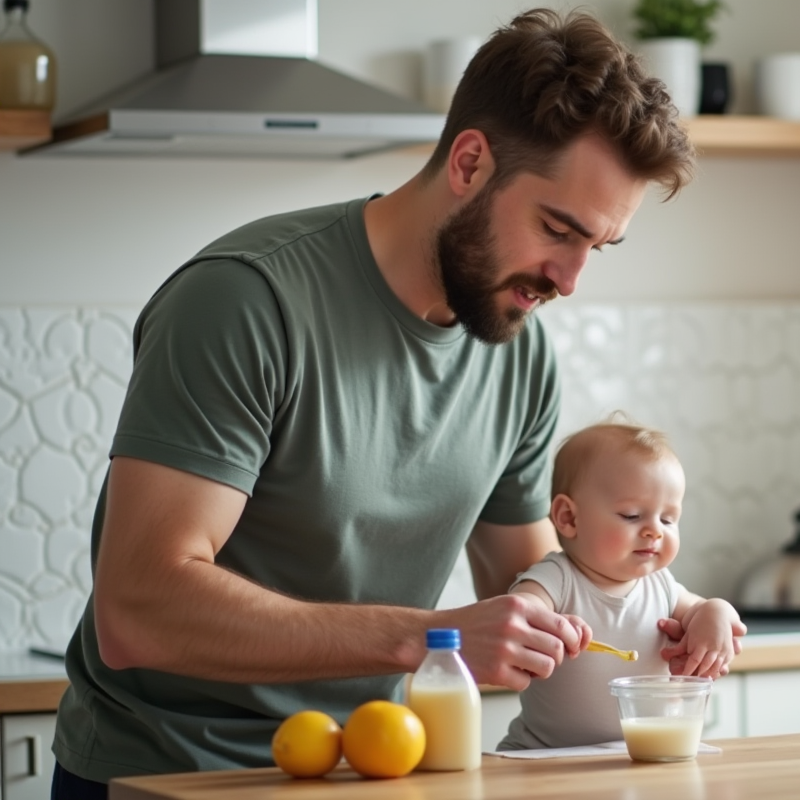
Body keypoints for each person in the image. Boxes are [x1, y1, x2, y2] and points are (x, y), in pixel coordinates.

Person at [50, 8, 706, 797]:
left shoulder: (517, 350)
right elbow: (137, 612)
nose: (569, 281)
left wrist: (675, 614)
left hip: (380, 767)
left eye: (594, 247)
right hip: (173, 776)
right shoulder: (244, 302)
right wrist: (423, 636)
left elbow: (536, 590)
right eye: (556, 230)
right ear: (469, 163)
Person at [497, 419, 742, 750]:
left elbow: (700, 610)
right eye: (632, 515)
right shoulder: (557, 578)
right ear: (569, 518)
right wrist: (545, 624)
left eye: (668, 519)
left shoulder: (661, 585)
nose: (655, 530)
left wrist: (716, 612)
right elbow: (520, 612)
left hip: (639, 754)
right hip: (544, 755)